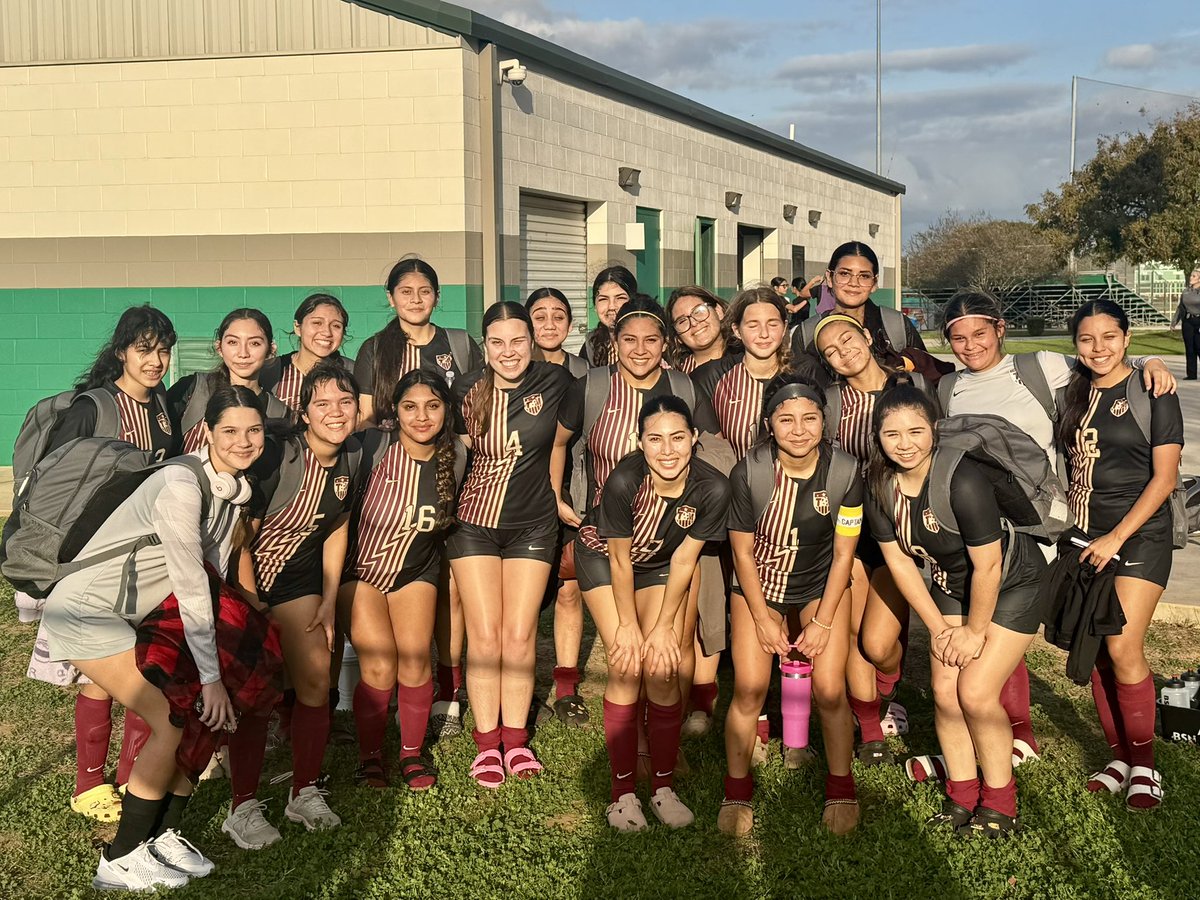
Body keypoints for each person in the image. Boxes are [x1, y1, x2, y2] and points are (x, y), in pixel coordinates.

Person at [926, 292, 1176, 778]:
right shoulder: (947, 388)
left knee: (1115, 643)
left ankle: (1141, 763)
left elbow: (1103, 359)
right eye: (958, 337)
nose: (970, 344)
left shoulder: (1040, 366)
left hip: (1044, 530)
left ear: (1001, 329)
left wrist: (1151, 359)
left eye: (980, 332)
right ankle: (1019, 736)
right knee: (1002, 628)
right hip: (1001, 532)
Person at [39, 385, 264, 891]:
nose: (243, 441)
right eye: (229, 430)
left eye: (253, 430)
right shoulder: (182, 486)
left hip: (134, 616)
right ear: (206, 432)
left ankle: (161, 837)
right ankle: (119, 861)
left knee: (198, 718)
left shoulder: (232, 490)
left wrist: (219, 670)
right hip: (86, 613)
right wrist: (210, 678)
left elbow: (215, 578)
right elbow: (190, 583)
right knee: (172, 719)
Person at [865, 382, 1049, 837]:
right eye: (892, 434)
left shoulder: (961, 478)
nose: (905, 444)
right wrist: (939, 629)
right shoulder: (879, 485)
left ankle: (1001, 804)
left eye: (916, 431)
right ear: (878, 438)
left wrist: (974, 632)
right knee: (945, 692)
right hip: (951, 584)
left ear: (935, 431)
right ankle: (962, 796)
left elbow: (987, 565)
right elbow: (901, 565)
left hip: (1010, 583)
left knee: (976, 693)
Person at [34, 304, 179, 824]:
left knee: (146, 666)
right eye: (144, 349)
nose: (155, 360)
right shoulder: (93, 407)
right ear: (121, 351)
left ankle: (131, 771)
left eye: (163, 350)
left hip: (148, 555)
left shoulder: (163, 406)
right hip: (94, 559)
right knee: (99, 675)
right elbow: (54, 485)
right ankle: (89, 784)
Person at [222, 362, 364, 847]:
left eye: (345, 402)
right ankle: (241, 805)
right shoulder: (278, 457)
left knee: (316, 682)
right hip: (251, 587)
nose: (335, 412)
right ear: (304, 413)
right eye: (322, 403)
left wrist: (328, 600)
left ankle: (303, 790)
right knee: (257, 693)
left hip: (302, 585)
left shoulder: (353, 456)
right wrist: (250, 603)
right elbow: (242, 536)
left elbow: (338, 527)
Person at [574, 395, 731, 831]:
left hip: (661, 563)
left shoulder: (713, 487)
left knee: (662, 666)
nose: (667, 450)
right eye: (655, 439)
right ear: (638, 441)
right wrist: (628, 625)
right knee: (626, 665)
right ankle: (621, 794)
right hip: (604, 560)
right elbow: (621, 561)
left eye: (678, 438)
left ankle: (662, 787)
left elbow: (684, 560)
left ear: (694, 438)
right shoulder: (626, 479)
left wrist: (662, 627)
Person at [722, 375, 862, 837]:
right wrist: (762, 618)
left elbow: (844, 553)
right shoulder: (751, 472)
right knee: (749, 688)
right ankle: (737, 789)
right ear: (769, 424)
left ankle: (841, 785)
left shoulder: (844, 471)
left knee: (830, 690)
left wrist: (823, 620)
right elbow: (741, 553)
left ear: (826, 420)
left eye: (809, 418)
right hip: (759, 585)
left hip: (820, 584)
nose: (799, 429)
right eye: (786, 419)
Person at [1056, 300, 1182, 811]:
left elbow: (1165, 478)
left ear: (1128, 338)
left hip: (1141, 535)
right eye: (1087, 339)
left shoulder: (1153, 390)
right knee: (1096, 649)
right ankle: (1118, 757)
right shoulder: (1072, 389)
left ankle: (1145, 765)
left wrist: (1117, 538)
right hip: (1084, 537)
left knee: (1124, 647)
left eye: (1110, 337)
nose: (1099, 347)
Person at [353, 258, 484, 737]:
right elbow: (365, 419)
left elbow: (475, 407)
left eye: (423, 290)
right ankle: (387, 698)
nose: (414, 298)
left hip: (452, 469)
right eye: (404, 291)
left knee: (450, 591)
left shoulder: (458, 344)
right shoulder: (375, 349)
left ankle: (448, 694)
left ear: (436, 296)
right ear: (390, 297)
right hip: (398, 472)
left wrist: (464, 451)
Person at [448, 301, 574, 786]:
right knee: (484, 635)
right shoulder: (466, 388)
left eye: (518, 340)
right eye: (497, 342)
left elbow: (562, 442)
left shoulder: (556, 381)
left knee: (520, 635)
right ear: (485, 345)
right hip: (474, 524)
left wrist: (562, 495)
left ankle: (516, 741)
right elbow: (455, 454)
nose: (509, 352)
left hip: (534, 524)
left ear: (532, 340)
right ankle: (486, 745)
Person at [339, 370, 465, 790]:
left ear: (446, 409)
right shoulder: (372, 446)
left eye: (433, 406)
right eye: (410, 407)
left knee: (413, 661)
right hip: (361, 574)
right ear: (395, 411)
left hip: (416, 570)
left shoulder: (458, 455)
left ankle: (411, 754)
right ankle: (370, 756)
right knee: (378, 666)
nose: (422, 417)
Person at [814, 313, 925, 767]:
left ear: (866, 336)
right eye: (830, 352)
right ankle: (871, 727)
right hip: (851, 527)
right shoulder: (832, 401)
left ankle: (887, 686)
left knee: (880, 645)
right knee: (860, 633)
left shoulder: (912, 386)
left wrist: (1146, 366)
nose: (844, 352)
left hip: (900, 526)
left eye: (847, 340)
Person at [525, 288, 590, 726]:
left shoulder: (587, 373)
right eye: (540, 316)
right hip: (522, 497)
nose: (549, 324)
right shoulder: (512, 368)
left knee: (569, 589)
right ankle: (522, 690)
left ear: (570, 323)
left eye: (559, 316)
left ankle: (565, 687)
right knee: (524, 599)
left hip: (571, 493)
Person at [167, 308, 286, 453]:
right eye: (232, 342)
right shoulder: (193, 389)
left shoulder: (278, 412)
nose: (243, 353)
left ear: (271, 349)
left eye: (254, 343)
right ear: (219, 347)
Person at [259, 294, 353, 412]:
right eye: (317, 323)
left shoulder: (354, 372)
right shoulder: (269, 371)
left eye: (336, 326)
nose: (327, 332)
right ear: (298, 327)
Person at [579, 265, 636, 367]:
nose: (611, 306)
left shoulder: (651, 344)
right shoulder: (591, 347)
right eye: (603, 299)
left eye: (620, 298)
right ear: (595, 305)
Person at [666, 286, 730, 375]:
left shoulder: (747, 360)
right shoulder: (675, 378)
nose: (693, 323)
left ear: (718, 311)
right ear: (677, 337)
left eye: (698, 311)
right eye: (682, 321)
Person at [1171, 268, 1200, 380]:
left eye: (1194, 276)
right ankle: (1191, 374)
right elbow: (1180, 307)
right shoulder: (1186, 291)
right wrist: (1174, 321)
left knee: (1199, 346)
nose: (1191, 278)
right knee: (1189, 348)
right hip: (1187, 321)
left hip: (1199, 321)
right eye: (1191, 276)